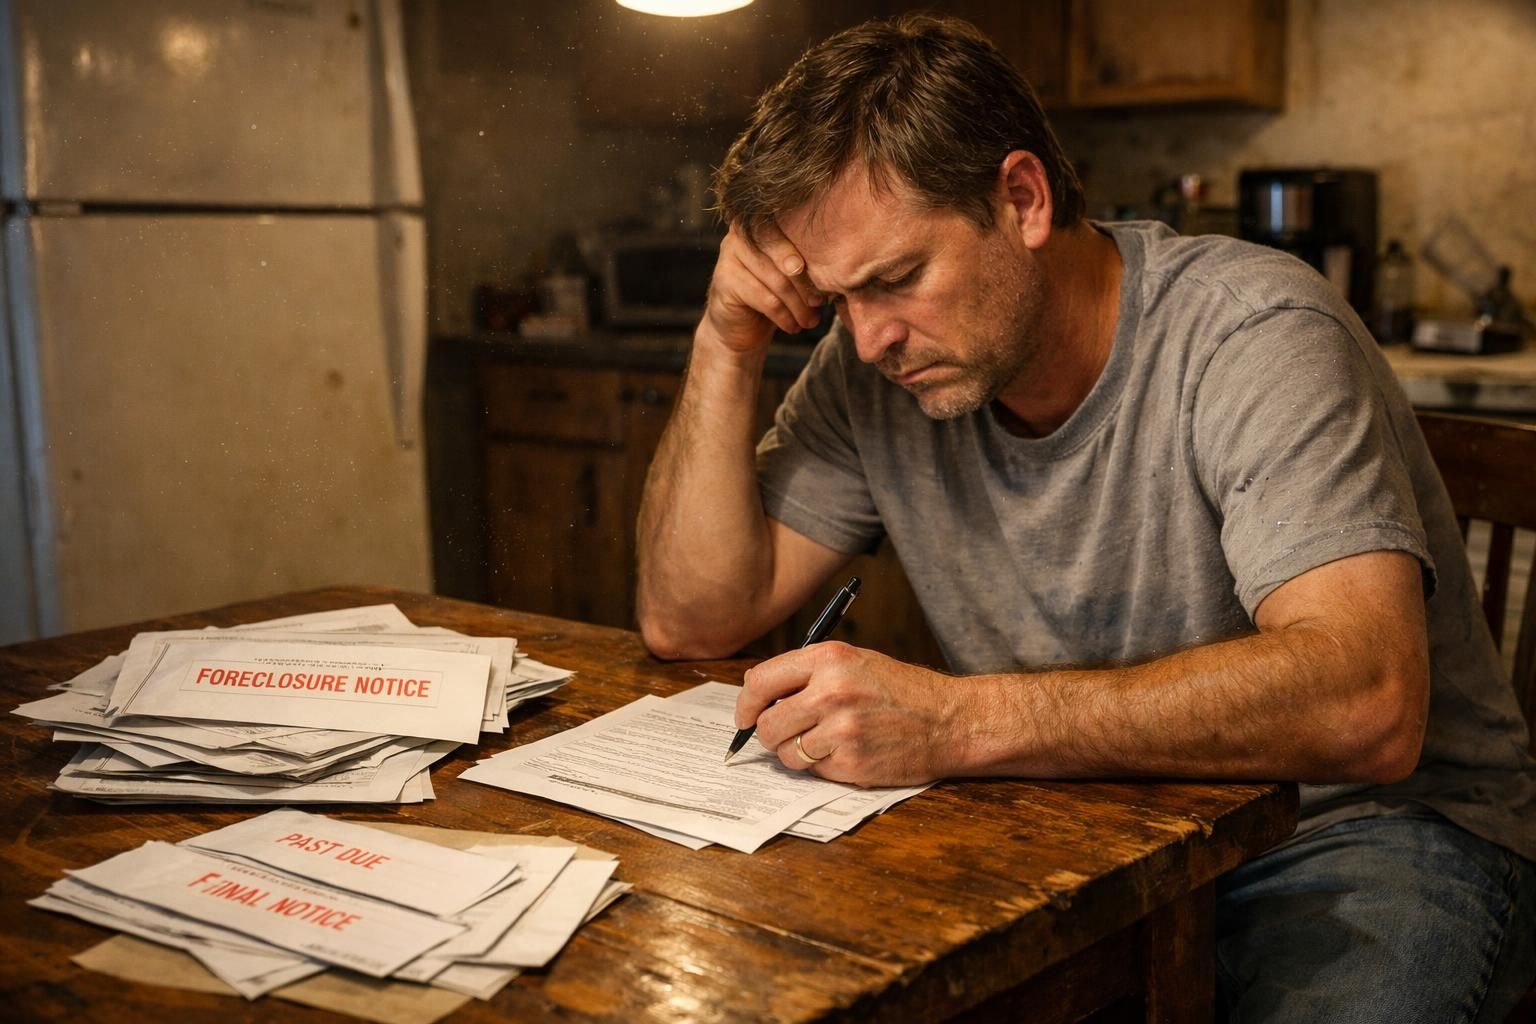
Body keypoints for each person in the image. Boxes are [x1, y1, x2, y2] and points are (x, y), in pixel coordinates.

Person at [634, 14, 1535, 1022]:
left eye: (896, 279)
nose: (872, 336)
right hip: (1091, 836)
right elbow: (692, 618)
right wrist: (725, 339)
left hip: (1362, 840)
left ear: (1022, 198)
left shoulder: (1253, 333)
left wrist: (958, 720)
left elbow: (1368, 701)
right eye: (838, 300)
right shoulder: (871, 369)